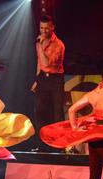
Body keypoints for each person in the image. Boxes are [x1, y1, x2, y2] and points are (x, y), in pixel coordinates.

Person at [30, 14, 65, 152]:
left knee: (57, 113)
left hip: (55, 79)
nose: (43, 31)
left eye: (46, 28)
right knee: (40, 112)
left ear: (52, 27)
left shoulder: (59, 44)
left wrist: (39, 45)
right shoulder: (41, 42)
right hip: (43, 79)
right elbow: (40, 63)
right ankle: (42, 144)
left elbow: (46, 62)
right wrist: (37, 80)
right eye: (41, 28)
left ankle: (59, 145)